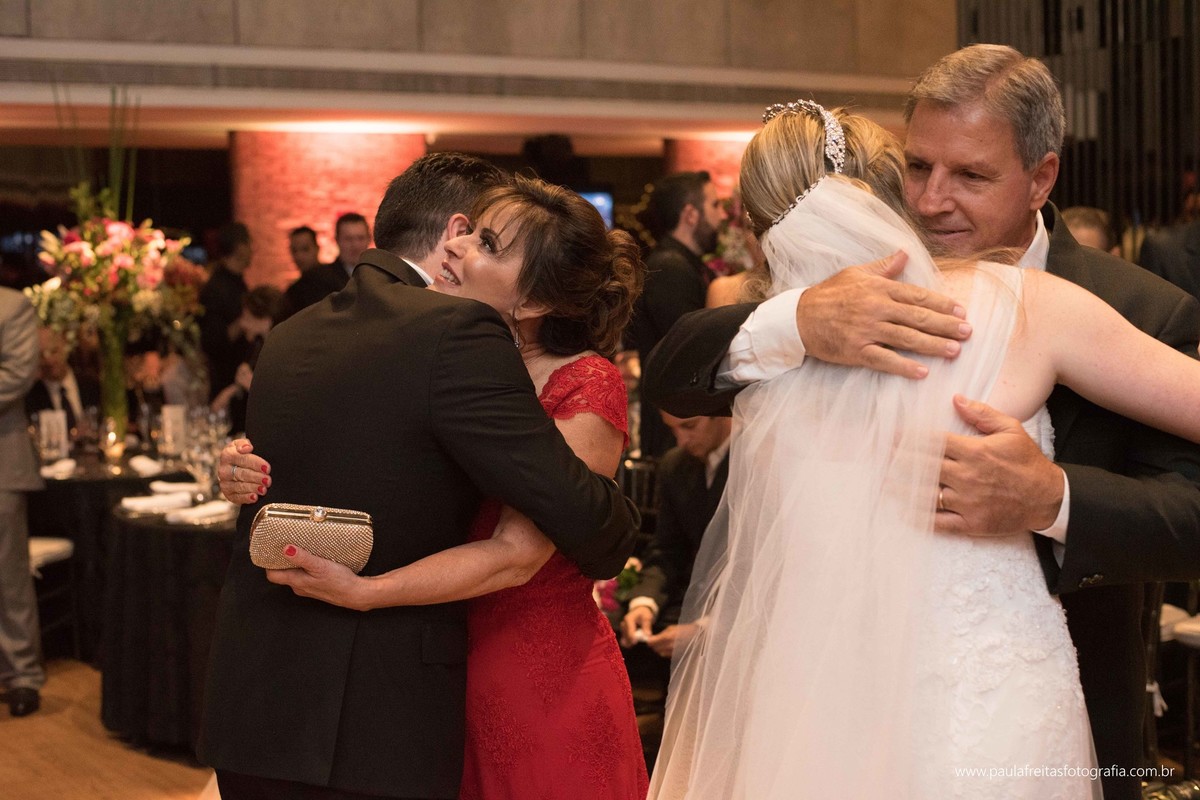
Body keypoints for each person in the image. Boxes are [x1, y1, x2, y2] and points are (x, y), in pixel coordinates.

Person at [643, 46, 1200, 800]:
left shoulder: (1128, 304)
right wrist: (800, 320)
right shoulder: (806, 314)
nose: (933, 201)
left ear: (1042, 176)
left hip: (1014, 703)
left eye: (970, 176)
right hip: (833, 703)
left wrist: (1056, 500)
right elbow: (679, 369)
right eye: (916, 168)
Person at [198, 154, 641, 800]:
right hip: (434, 678)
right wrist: (243, 467)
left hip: (529, 669)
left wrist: (366, 591)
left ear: (538, 298)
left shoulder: (559, 371)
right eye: (469, 232)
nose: (458, 247)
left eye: (485, 242)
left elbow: (524, 553)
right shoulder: (445, 341)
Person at [628, 171, 726, 457]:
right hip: (677, 428)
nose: (721, 216)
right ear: (690, 214)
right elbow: (691, 352)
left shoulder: (682, 264)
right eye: (714, 205)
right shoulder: (671, 267)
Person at [620, 412, 730, 660]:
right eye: (673, 430)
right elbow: (668, 549)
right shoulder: (675, 465)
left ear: (721, 413)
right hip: (688, 605)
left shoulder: (760, 464)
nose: (681, 441)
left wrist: (707, 630)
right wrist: (644, 601)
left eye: (689, 426)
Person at [0, 287, 45, 717]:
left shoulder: (11, 305)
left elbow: (15, 377)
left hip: (2, 464)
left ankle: (23, 675)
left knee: (8, 576)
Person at [209, 286, 283, 434]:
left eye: (248, 318)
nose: (242, 324)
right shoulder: (255, 346)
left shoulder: (283, 355)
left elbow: (283, 407)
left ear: (267, 321)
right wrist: (232, 390)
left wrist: (252, 386)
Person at [199, 221, 252, 400]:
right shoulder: (217, 288)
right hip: (226, 379)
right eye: (249, 244)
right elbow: (213, 340)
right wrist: (246, 320)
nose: (253, 250)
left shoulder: (236, 282)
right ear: (240, 248)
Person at [283, 213, 372, 316]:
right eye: (348, 239)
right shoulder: (317, 279)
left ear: (369, 239)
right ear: (337, 240)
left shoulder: (378, 276)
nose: (355, 245)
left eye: (360, 238)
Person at [25, 326, 100, 443]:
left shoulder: (92, 385)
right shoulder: (30, 396)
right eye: (41, 355)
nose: (49, 360)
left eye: (54, 351)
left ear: (66, 345)